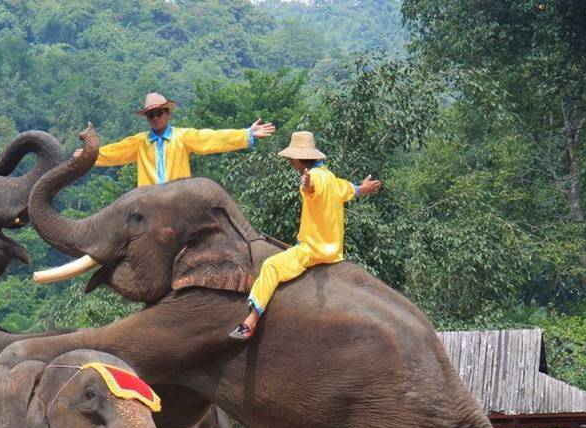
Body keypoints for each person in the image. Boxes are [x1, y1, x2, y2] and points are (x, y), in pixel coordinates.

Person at [230, 131, 382, 340]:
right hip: (334, 252)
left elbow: (312, 188)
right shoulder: (330, 178)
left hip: (312, 251)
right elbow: (352, 190)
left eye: (292, 159)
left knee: (270, 267)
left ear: (297, 159)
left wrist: (307, 185)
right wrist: (364, 188)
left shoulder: (315, 178)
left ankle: (251, 321)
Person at [76, 92, 276, 187]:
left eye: (159, 113)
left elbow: (212, 139)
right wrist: (87, 155)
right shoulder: (140, 142)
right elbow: (112, 153)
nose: (155, 118)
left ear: (167, 113)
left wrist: (246, 133)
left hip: (180, 199)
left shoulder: (183, 137)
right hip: (148, 202)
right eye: (150, 115)